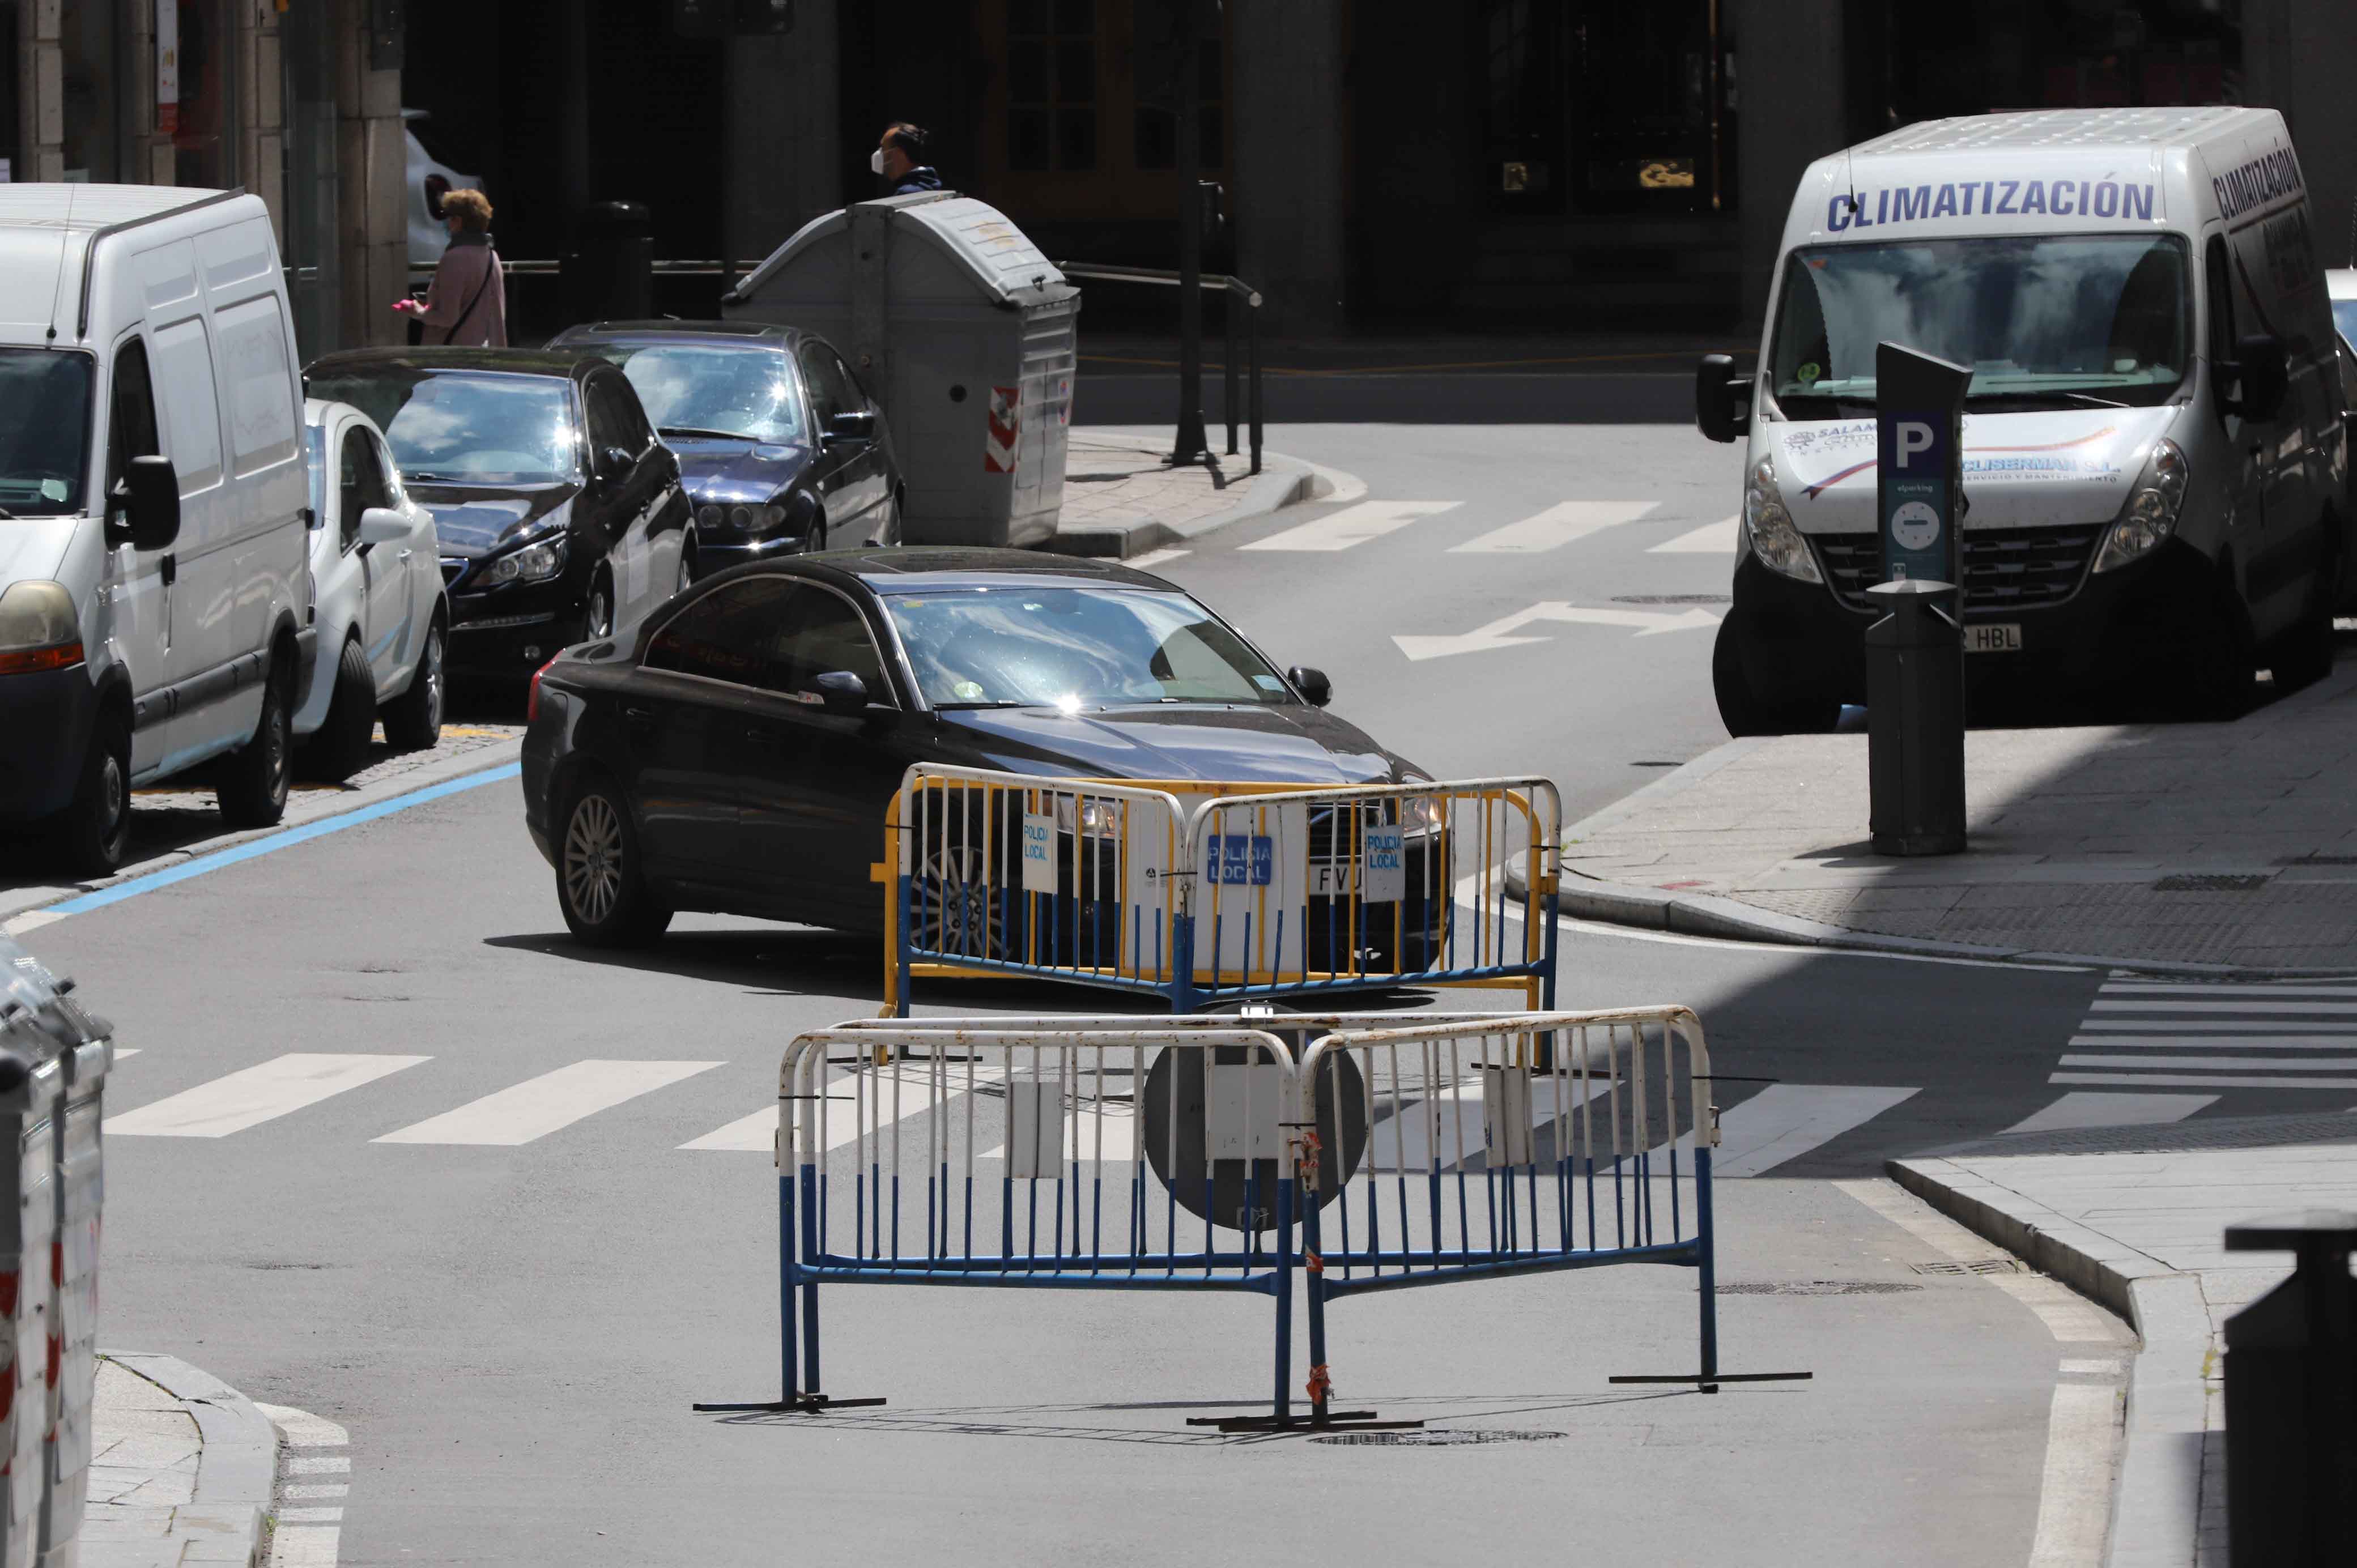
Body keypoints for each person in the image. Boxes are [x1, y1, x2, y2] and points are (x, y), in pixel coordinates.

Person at [394, 189, 507, 347]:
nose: (446, 222)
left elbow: (447, 318)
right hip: (483, 350)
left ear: (458, 221)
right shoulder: (492, 256)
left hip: (453, 354)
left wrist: (418, 312)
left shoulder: (454, 258)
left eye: (448, 217)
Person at [872, 123, 943, 196]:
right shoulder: (931, 184)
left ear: (898, 154)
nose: (879, 153)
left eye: (883, 148)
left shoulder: (907, 194)